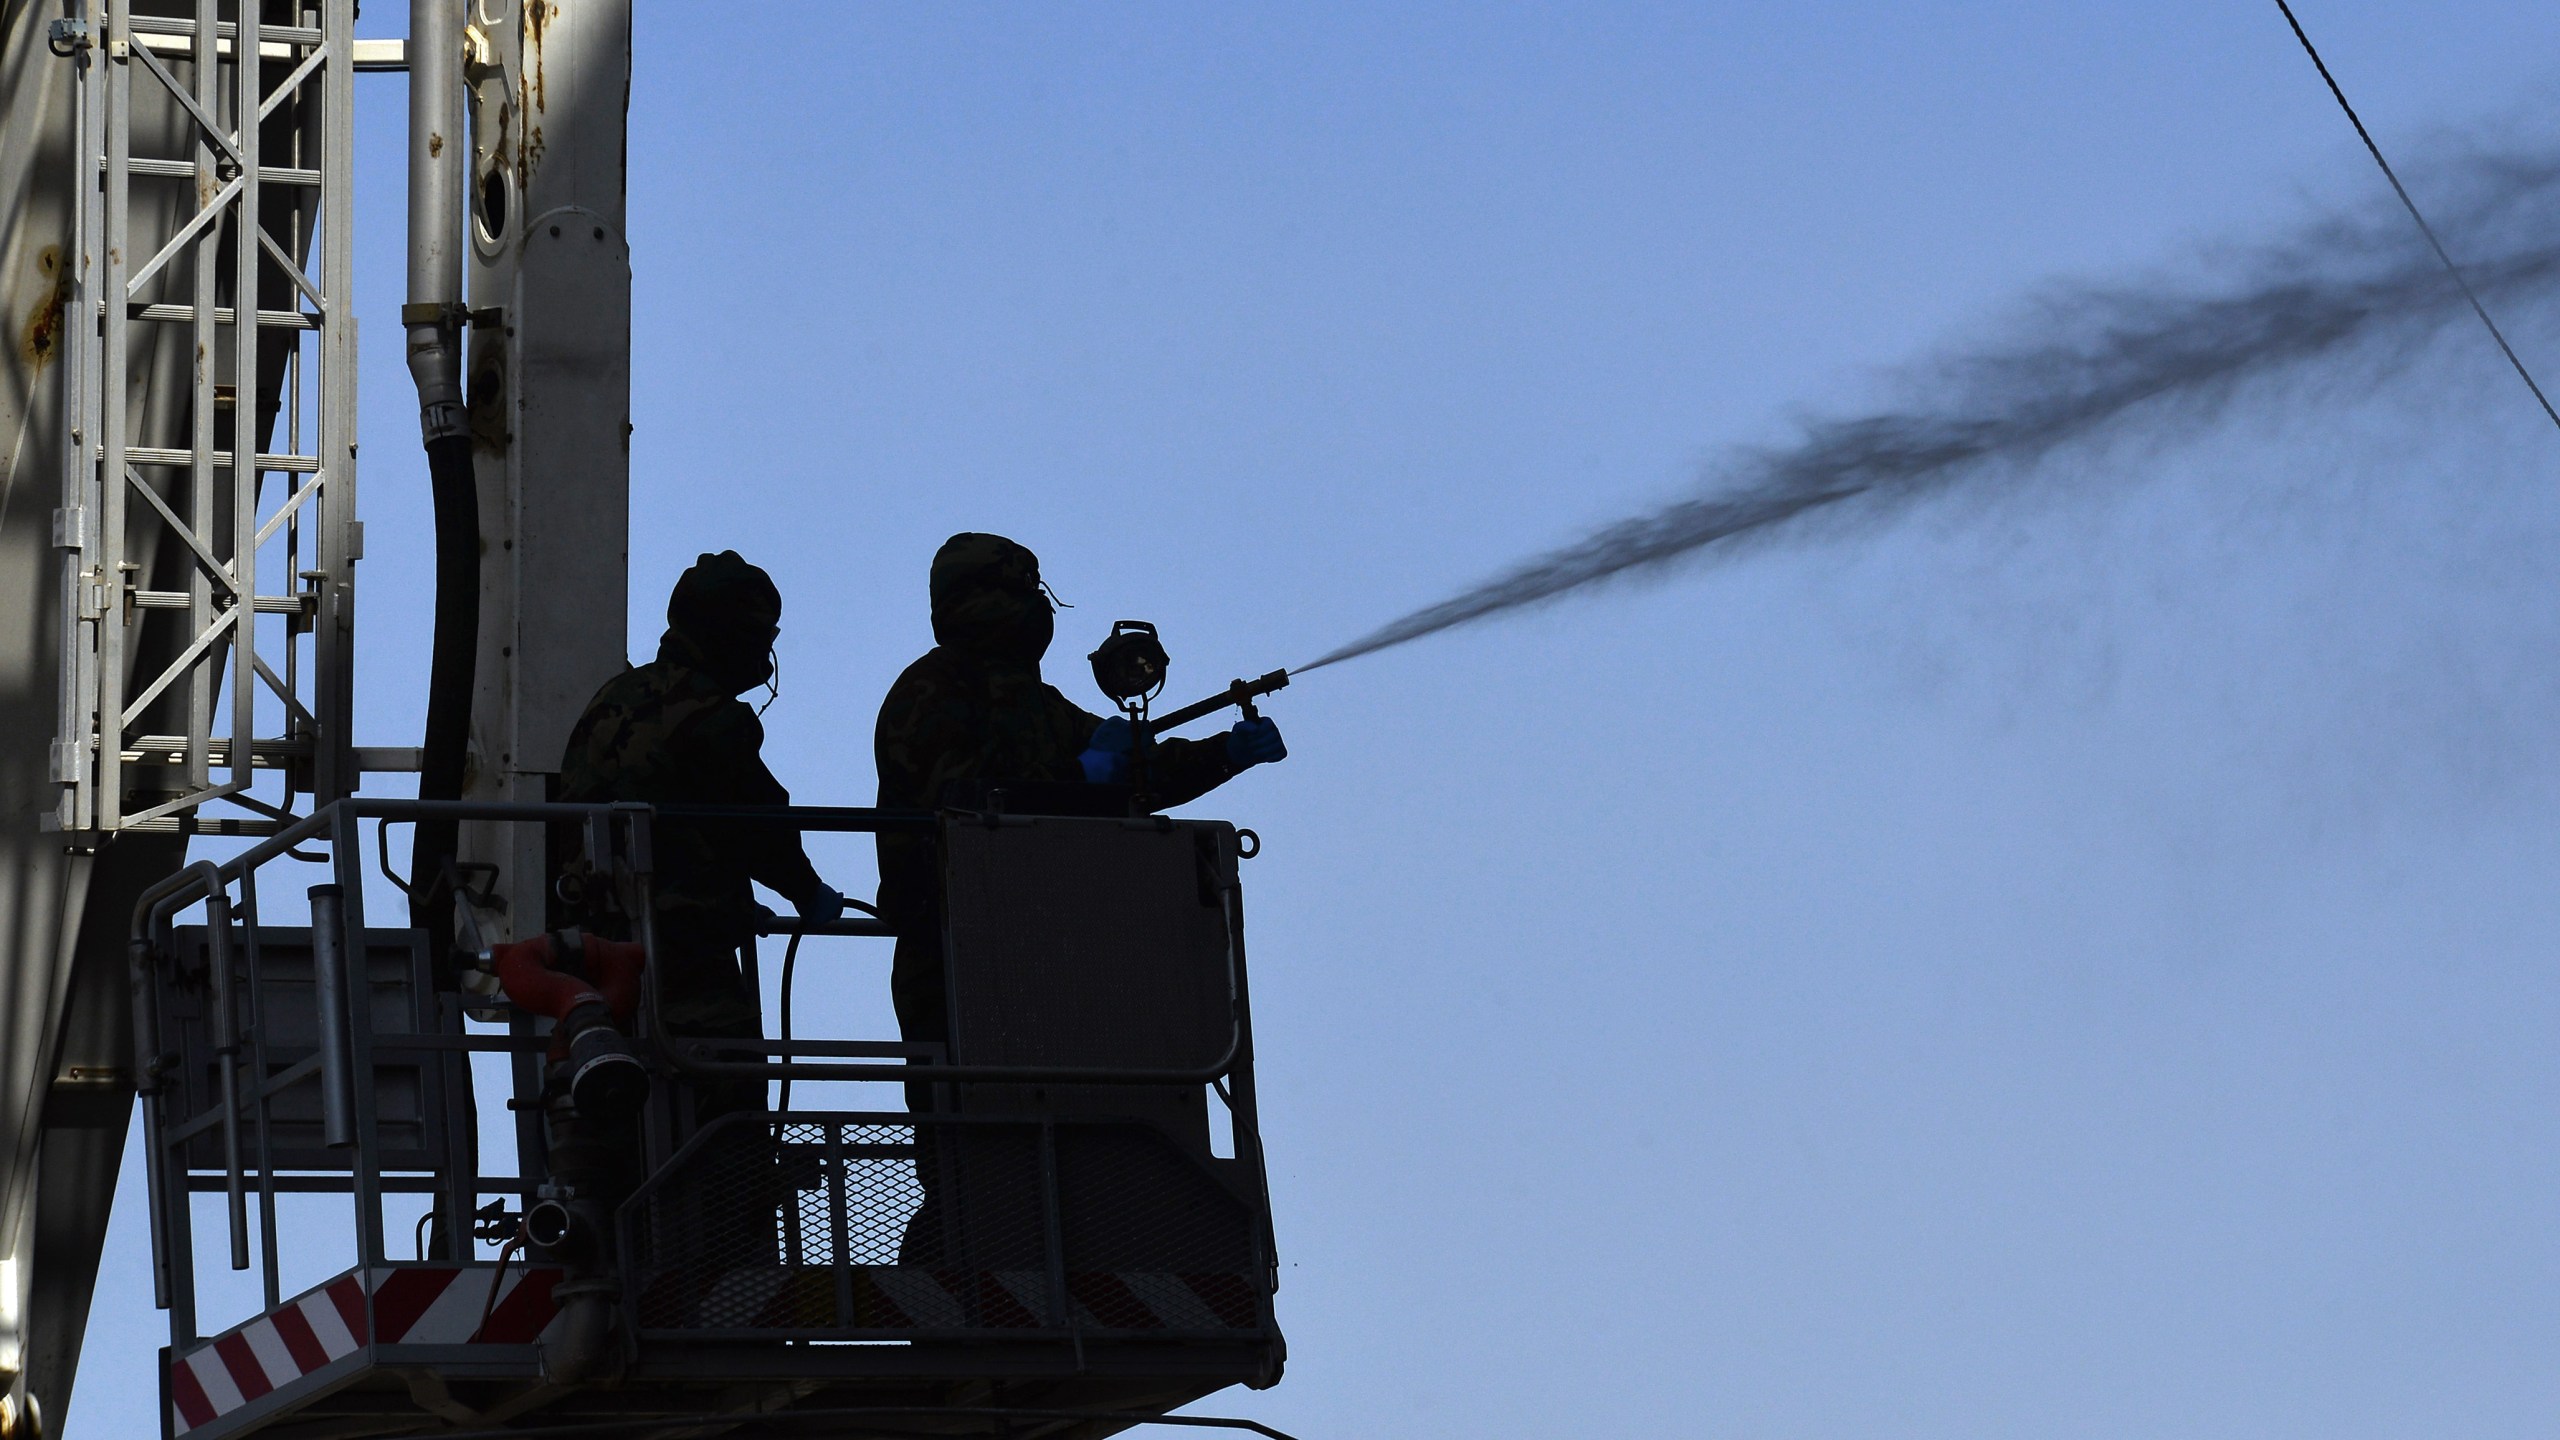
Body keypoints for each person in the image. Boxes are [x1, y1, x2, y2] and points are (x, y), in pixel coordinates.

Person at [873, 532, 1287, 1095]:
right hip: (952, 953)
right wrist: (1085, 776)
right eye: (1017, 590)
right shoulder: (932, 689)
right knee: (969, 1135)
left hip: (1052, 949)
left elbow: (1139, 773)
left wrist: (1226, 752)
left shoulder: (1039, 704)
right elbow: (960, 805)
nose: (1033, 604)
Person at [558, 550, 845, 1128]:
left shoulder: (613, 699)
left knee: (622, 1129)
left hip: (596, 960)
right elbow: (761, 826)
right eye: (759, 634)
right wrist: (808, 894)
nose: (766, 651)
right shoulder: (713, 718)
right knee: (726, 1128)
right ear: (728, 634)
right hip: (686, 969)